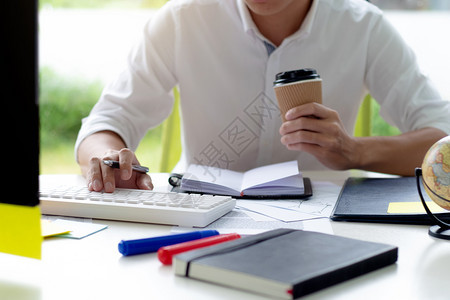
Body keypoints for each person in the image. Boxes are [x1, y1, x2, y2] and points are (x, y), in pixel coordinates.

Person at [76, 0, 450, 193]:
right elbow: (107, 123)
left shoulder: (363, 25)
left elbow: (444, 137)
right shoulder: (182, 18)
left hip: (320, 231)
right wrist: (107, 161)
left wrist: (355, 152)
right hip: (197, 224)